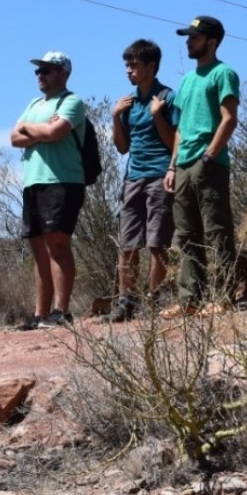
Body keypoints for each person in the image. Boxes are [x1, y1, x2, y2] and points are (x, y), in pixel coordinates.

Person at [164, 16, 239, 313]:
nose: (188, 42)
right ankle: (190, 300)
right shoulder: (187, 80)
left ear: (211, 41)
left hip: (210, 163)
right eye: (188, 37)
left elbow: (229, 119)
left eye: (194, 37)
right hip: (183, 164)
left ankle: (224, 297)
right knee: (186, 234)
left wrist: (209, 155)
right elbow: (180, 127)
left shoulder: (223, 74)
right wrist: (172, 166)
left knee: (217, 230)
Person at [11, 51, 87, 330]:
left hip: (63, 181)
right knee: (38, 248)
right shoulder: (33, 104)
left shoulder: (72, 102)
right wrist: (40, 129)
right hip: (33, 181)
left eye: (47, 70)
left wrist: (31, 131)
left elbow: (56, 133)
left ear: (63, 73)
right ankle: (40, 313)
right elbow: (13, 137)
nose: (41, 76)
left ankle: (60, 311)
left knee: (58, 244)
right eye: (38, 71)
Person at [104, 39, 177, 322]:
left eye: (134, 64)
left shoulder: (167, 97)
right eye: (127, 64)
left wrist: (158, 116)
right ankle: (125, 303)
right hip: (133, 176)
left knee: (158, 242)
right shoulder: (129, 103)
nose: (129, 70)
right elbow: (122, 147)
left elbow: (174, 143)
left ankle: (153, 300)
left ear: (151, 66)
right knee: (128, 243)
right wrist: (115, 117)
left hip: (160, 174)